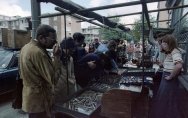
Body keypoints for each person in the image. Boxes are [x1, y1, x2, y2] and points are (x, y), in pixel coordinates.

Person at [19, 24, 61, 118]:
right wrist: (57, 58)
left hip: (30, 97)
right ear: (41, 38)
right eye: (53, 39)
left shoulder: (25, 47)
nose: (55, 43)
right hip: (40, 101)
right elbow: (53, 79)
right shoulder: (38, 52)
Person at [149, 34, 185, 118]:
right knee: (165, 99)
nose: (163, 45)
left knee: (167, 99)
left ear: (170, 43)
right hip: (167, 76)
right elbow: (171, 65)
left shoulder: (175, 51)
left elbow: (179, 66)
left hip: (169, 78)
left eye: (164, 44)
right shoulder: (171, 52)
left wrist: (170, 76)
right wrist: (161, 64)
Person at [55, 37, 80, 103]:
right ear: (65, 48)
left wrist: (73, 80)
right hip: (59, 90)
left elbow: (72, 72)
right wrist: (56, 89)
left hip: (70, 87)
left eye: (73, 49)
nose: (72, 51)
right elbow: (55, 75)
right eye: (71, 49)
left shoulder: (70, 58)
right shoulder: (57, 59)